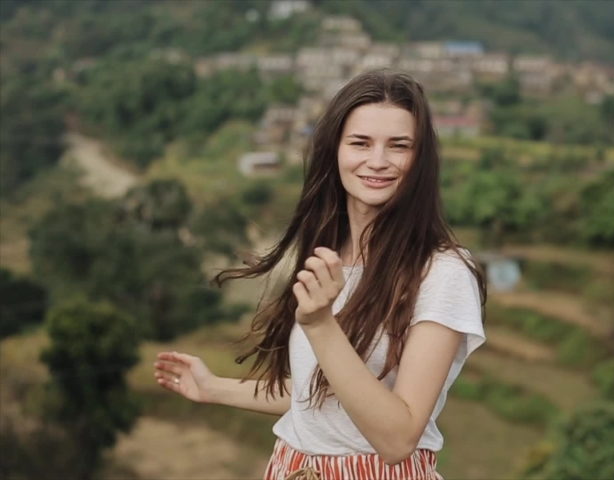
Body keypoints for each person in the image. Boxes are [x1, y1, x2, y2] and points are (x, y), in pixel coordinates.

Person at [153, 68, 487, 480]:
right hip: (292, 468)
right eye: (360, 143)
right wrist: (214, 388)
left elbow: (398, 439)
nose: (378, 161)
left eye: (398, 146)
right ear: (334, 151)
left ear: (420, 160)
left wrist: (320, 324)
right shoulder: (329, 256)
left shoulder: (442, 273)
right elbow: (323, 397)